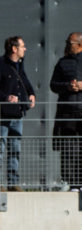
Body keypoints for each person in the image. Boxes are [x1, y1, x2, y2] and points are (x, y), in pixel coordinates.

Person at [0, 36, 36, 192]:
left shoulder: (19, 65)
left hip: (17, 114)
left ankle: (13, 182)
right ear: (14, 49)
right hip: (2, 115)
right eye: (22, 46)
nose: (25, 49)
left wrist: (31, 93)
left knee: (15, 149)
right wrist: (5, 97)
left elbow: (25, 82)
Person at [50, 32, 82, 191]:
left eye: (70, 42)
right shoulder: (62, 63)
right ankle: (70, 182)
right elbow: (53, 84)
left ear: (79, 44)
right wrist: (67, 87)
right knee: (68, 147)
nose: (67, 45)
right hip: (67, 111)